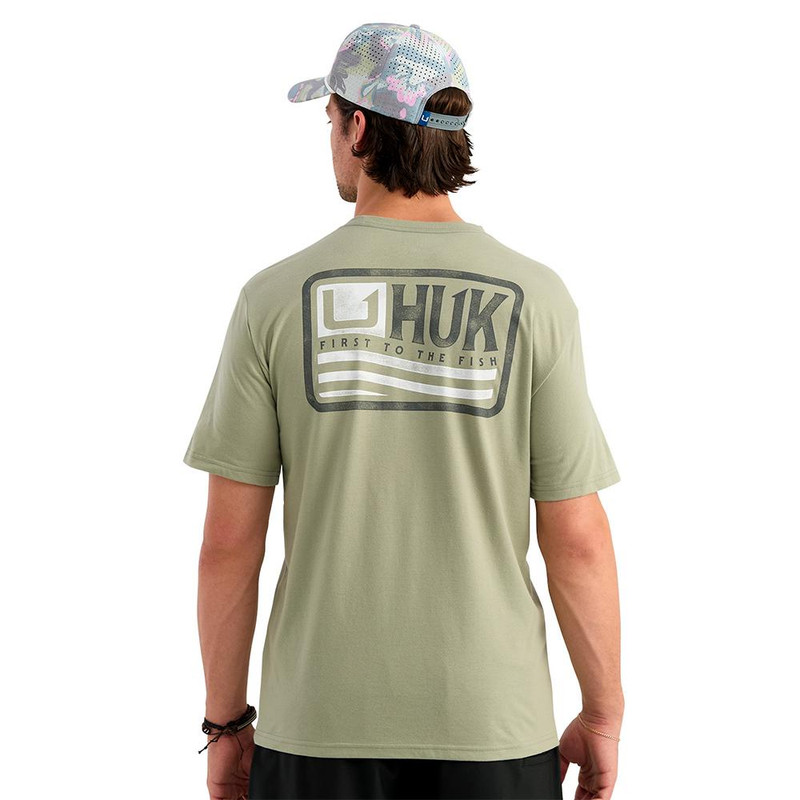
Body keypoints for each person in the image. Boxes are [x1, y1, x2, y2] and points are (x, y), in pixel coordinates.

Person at [184, 21, 624, 800]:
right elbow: (578, 540)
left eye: (329, 119)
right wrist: (603, 713)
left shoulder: (274, 299)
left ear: (358, 128)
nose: (329, 139)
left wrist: (225, 724)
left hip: (318, 723)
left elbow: (229, 543)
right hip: (494, 722)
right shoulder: (535, 297)